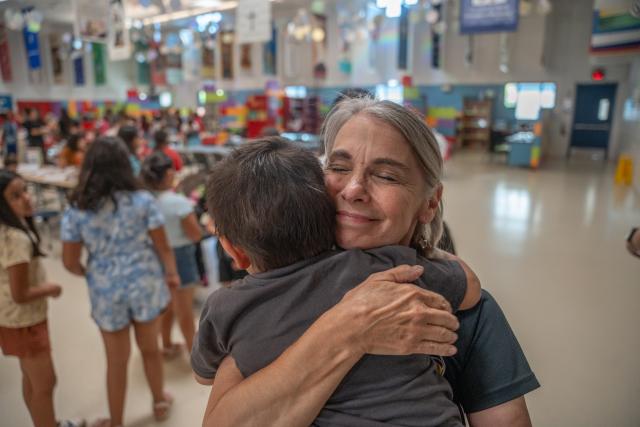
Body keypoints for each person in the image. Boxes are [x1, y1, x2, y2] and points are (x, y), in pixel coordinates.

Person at [194, 98, 539, 426]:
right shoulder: (256, 303)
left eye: (387, 176)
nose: (353, 189)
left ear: (430, 203)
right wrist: (346, 330)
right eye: (339, 167)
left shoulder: (470, 316)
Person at [60, 137, 179, 427]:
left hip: (105, 289)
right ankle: (159, 401)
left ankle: (115, 420)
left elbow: (70, 262)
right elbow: (162, 246)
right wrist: (172, 273)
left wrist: (92, 272)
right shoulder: (142, 200)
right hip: (144, 282)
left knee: (117, 360)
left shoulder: (77, 208)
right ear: (125, 165)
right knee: (150, 348)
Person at [0, 170, 84, 427]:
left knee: (32, 380)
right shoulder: (16, 239)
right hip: (24, 321)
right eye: (16, 196)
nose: (26, 198)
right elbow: (21, 293)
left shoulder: (10, 230)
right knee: (45, 384)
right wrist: (51, 289)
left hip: (12, 319)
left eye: (25, 191)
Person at [141, 152, 202, 357]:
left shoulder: (145, 202)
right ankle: (195, 355)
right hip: (181, 257)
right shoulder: (179, 203)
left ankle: (166, 345)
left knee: (166, 306)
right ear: (168, 174)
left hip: (155, 256)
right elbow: (195, 235)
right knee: (185, 311)